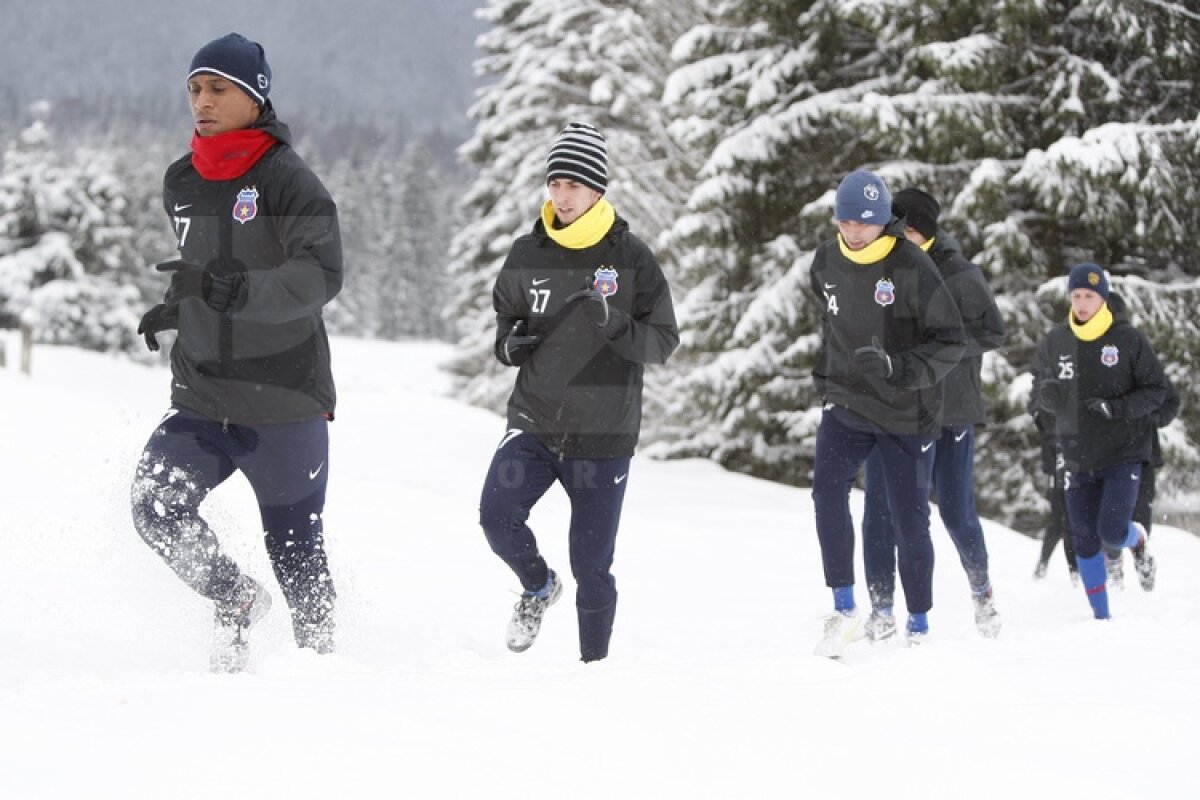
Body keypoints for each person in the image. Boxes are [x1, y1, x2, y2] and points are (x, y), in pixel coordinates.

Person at [130, 33, 343, 672]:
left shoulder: (290, 180)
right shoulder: (182, 181)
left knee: (296, 551)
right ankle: (237, 598)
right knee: (154, 507)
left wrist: (237, 290)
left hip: (283, 400)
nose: (203, 100)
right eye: (195, 88)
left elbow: (321, 275)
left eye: (219, 88)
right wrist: (179, 304)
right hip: (202, 397)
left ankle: (326, 667)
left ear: (255, 95)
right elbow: (203, 266)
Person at [478, 122, 679, 663]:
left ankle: (595, 673)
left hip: (603, 435)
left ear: (597, 191)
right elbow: (505, 317)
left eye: (573, 185)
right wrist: (508, 345)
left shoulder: (633, 259)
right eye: (555, 183)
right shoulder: (527, 252)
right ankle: (538, 586)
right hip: (535, 423)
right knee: (496, 517)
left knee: (591, 565)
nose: (561, 196)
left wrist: (614, 322)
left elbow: (663, 342)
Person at [809, 170, 965, 657]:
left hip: (905, 410)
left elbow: (951, 341)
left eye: (865, 222)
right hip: (849, 401)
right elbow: (831, 320)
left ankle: (917, 620)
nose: (854, 231)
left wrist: (901, 366)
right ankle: (844, 604)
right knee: (826, 491)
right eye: (846, 220)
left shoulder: (912, 266)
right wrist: (829, 374)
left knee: (907, 517)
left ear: (884, 222)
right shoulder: (826, 258)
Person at [860, 188, 1007, 640]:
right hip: (901, 409)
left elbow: (993, 332)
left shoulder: (961, 275)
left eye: (908, 229)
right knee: (885, 508)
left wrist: (945, 350)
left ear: (925, 230)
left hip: (952, 409)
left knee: (955, 511)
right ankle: (884, 609)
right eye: (895, 228)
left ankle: (982, 591)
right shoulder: (886, 269)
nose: (900, 235)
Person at [1031, 263, 1170, 620]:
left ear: (1103, 299)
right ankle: (1101, 619)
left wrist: (1117, 408)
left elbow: (1158, 390)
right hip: (1078, 453)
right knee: (1083, 540)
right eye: (1076, 295)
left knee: (1111, 530)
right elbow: (1039, 387)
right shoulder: (1058, 340)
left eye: (1089, 296)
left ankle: (1136, 542)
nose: (1081, 303)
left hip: (1124, 451)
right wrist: (1046, 396)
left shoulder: (1127, 340)